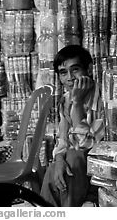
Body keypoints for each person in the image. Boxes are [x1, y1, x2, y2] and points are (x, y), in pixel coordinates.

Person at [40, 45, 104, 207]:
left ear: (89, 69)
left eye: (75, 70)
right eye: (63, 73)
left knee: (74, 158)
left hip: (99, 170)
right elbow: (62, 140)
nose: (70, 78)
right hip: (77, 166)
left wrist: (77, 104)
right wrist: (59, 159)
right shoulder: (66, 100)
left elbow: (85, 145)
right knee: (56, 167)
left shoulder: (105, 99)